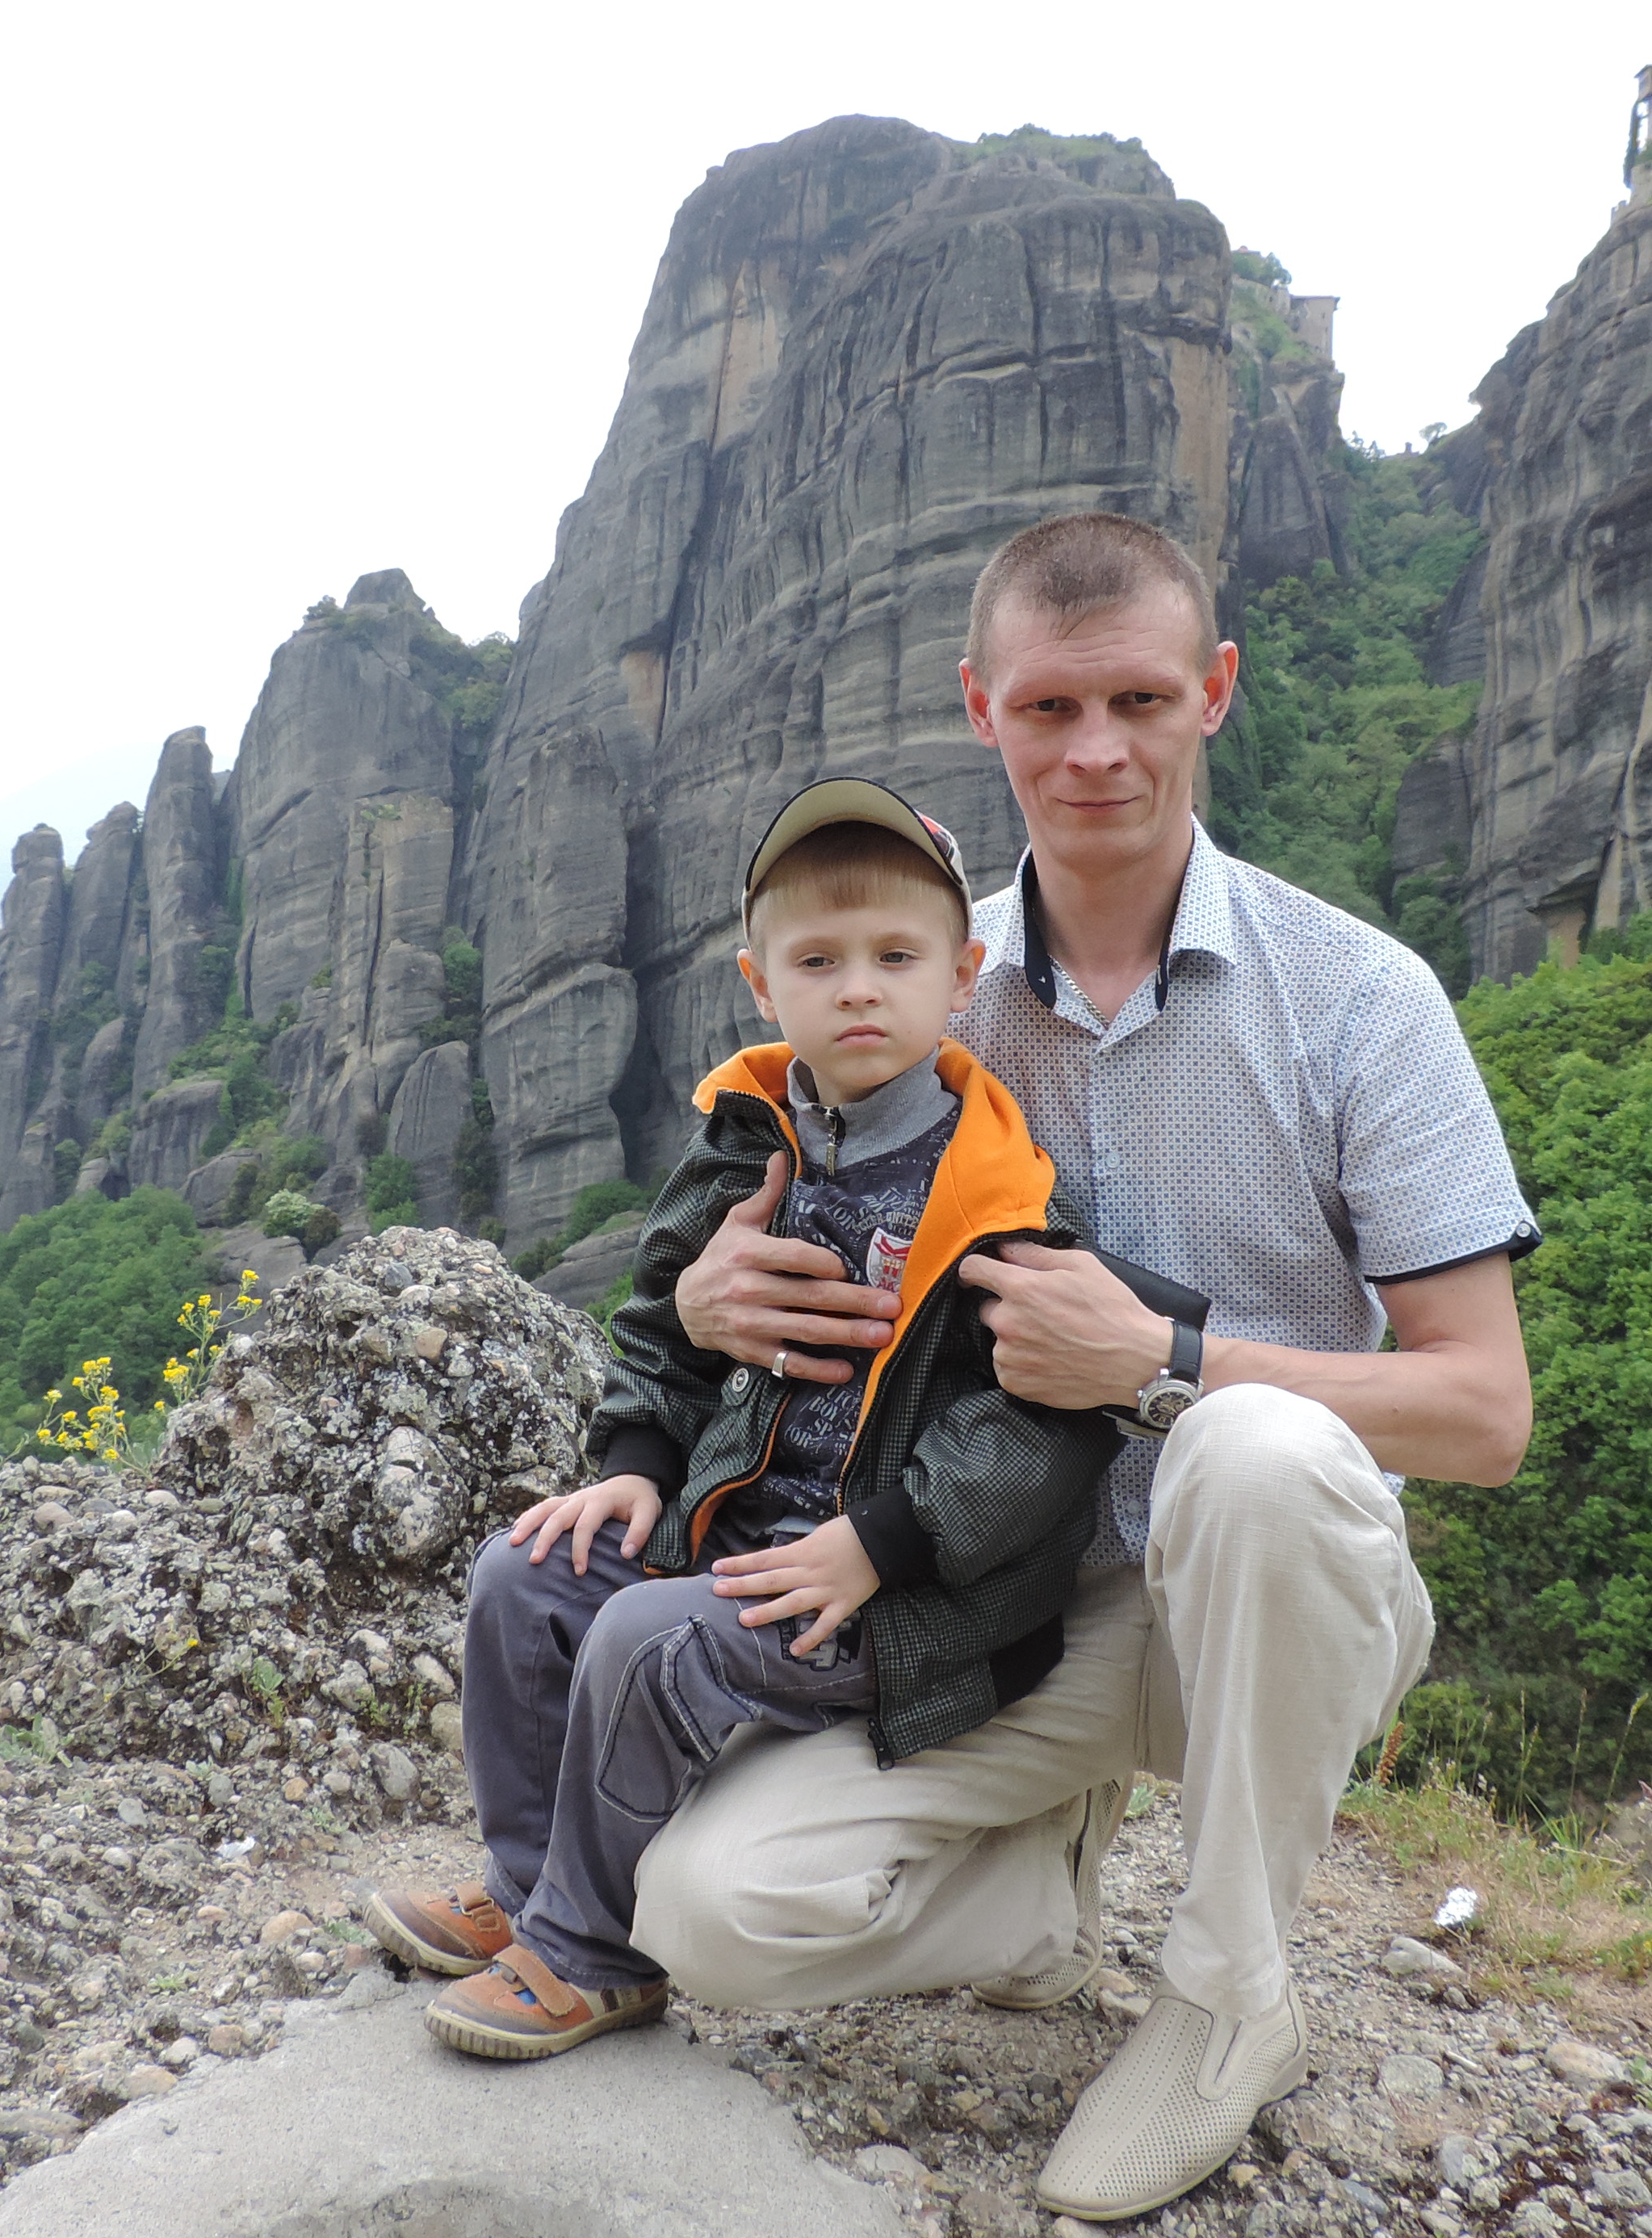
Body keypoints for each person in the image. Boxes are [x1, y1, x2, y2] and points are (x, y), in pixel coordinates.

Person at [628, 509, 1539, 2219]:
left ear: (1217, 690)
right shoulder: (920, 984)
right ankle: (1041, 1901)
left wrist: (1164, 1361)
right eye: (1049, 708)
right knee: (705, 1913)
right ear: (983, 709)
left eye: (1139, 700)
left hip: (1263, 1612)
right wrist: (707, 1303)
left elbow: (1486, 1413)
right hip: (1000, 1605)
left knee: (1251, 1452)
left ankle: (1229, 1993)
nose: (1096, 752)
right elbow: (728, 1242)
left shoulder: (1361, 998)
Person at [365, 777, 1177, 2060]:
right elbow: (660, 1321)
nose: (859, 990)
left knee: (641, 1641)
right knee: (523, 1578)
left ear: (962, 977)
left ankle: (593, 1955)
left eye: (896, 957)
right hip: (739, 1529)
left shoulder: (1000, 1190)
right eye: (818, 960)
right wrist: (637, 1463)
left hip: (907, 1594)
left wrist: (884, 1544)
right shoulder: (749, 1140)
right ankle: (529, 1890)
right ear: (759, 984)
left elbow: (1044, 1427)